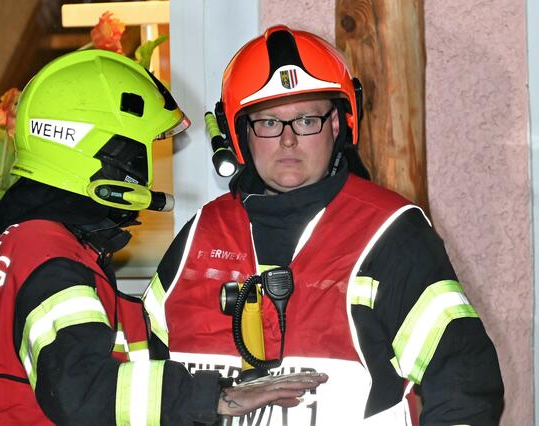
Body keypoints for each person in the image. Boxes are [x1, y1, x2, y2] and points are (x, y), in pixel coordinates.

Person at [0, 49, 327, 425]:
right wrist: (214, 398)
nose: (145, 174)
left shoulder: (34, 242)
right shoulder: (49, 255)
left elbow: (119, 350)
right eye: (141, 154)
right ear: (108, 155)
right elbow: (83, 388)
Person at [143, 25, 504, 425]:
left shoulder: (390, 234)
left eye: (306, 120)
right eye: (268, 122)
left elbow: (465, 384)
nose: (288, 140)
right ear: (241, 132)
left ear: (337, 125)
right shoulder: (199, 235)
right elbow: (140, 378)